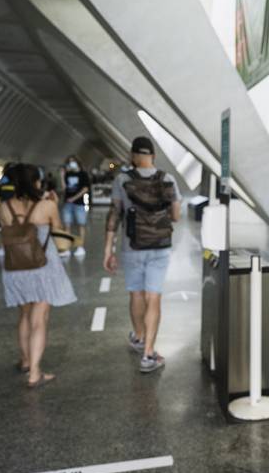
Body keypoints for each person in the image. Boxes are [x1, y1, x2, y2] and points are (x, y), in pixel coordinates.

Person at [103, 136, 181, 373]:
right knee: (153, 297)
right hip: (160, 247)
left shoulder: (122, 179)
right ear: (153, 155)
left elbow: (115, 214)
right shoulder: (167, 179)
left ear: (133, 155)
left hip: (132, 246)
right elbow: (176, 216)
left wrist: (109, 249)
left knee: (136, 294)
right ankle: (149, 354)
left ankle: (138, 337)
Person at [0, 164, 76, 388]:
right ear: (35, 182)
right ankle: (35, 373)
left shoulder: (4, 207)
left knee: (24, 316)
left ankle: (25, 360)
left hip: (15, 267)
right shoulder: (47, 205)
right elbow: (59, 231)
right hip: (42, 267)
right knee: (38, 319)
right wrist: (51, 203)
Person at [60, 155, 91, 258]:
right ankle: (66, 248)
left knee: (80, 225)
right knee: (67, 225)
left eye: (73, 161)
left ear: (78, 162)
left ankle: (80, 247)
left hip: (79, 204)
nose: (71, 163)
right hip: (67, 203)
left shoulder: (83, 174)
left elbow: (85, 189)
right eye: (69, 161)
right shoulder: (67, 174)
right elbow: (65, 188)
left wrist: (74, 198)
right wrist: (62, 176)